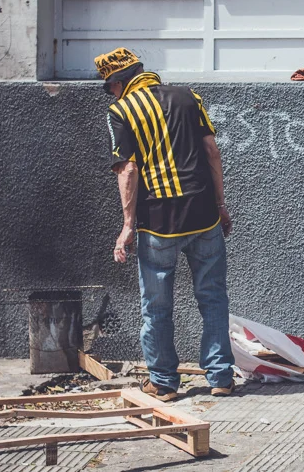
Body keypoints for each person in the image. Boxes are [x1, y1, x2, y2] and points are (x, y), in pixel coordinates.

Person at [95, 47, 235, 401]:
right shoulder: (189, 97)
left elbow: (128, 169)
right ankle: (221, 378)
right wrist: (221, 206)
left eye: (108, 86)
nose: (110, 93)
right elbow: (212, 153)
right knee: (213, 297)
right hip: (204, 215)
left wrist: (127, 225)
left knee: (156, 307)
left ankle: (163, 383)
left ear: (117, 82)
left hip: (159, 223)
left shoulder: (120, 110)